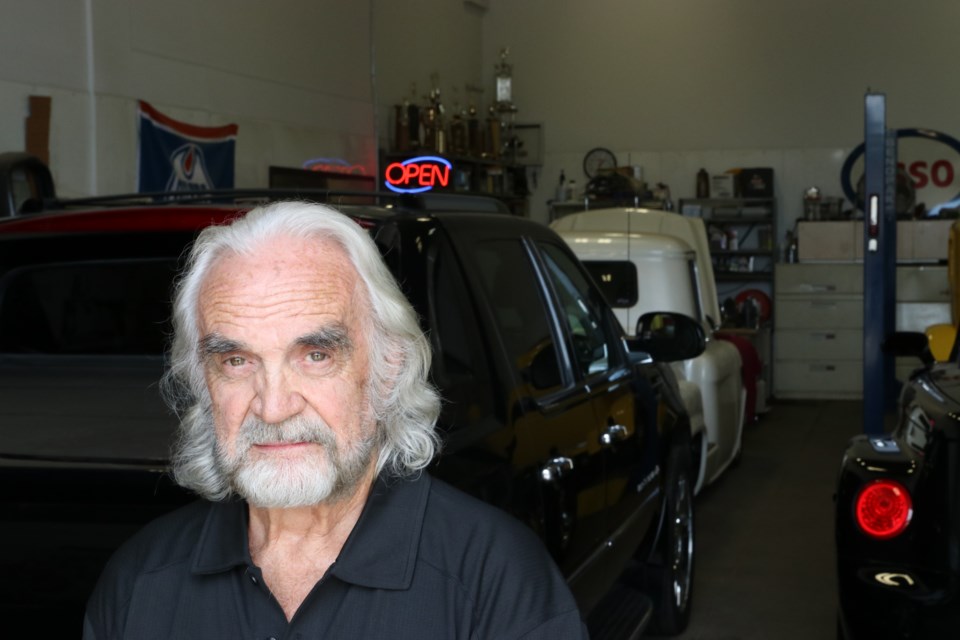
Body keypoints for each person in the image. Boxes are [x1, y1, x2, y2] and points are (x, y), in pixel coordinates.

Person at [83, 201, 588, 639]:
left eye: (316, 356)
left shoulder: (496, 582)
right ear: (202, 384)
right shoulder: (139, 581)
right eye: (236, 362)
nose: (274, 406)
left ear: (390, 367)